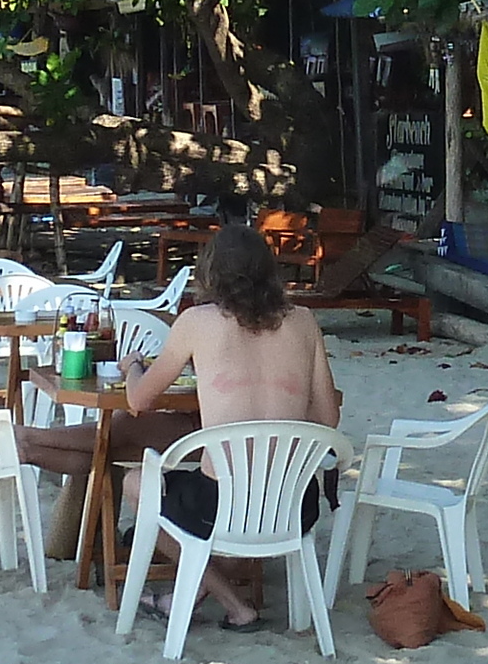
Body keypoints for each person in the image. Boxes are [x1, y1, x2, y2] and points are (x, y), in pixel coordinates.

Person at [116, 222, 341, 629]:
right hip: (294, 505)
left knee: (136, 482)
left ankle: (235, 605)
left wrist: (132, 366)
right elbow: (328, 419)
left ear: (210, 272)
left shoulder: (197, 321)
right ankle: (193, 595)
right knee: (220, 495)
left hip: (219, 506)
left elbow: (138, 400)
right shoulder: (304, 321)